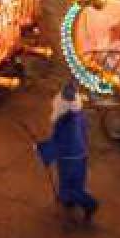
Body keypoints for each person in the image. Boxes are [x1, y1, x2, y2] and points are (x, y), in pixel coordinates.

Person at [37, 81, 99, 223]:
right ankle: (72, 201)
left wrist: (42, 149)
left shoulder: (63, 122)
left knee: (67, 186)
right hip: (81, 154)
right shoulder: (78, 115)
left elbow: (59, 143)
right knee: (77, 183)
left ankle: (89, 204)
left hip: (69, 159)